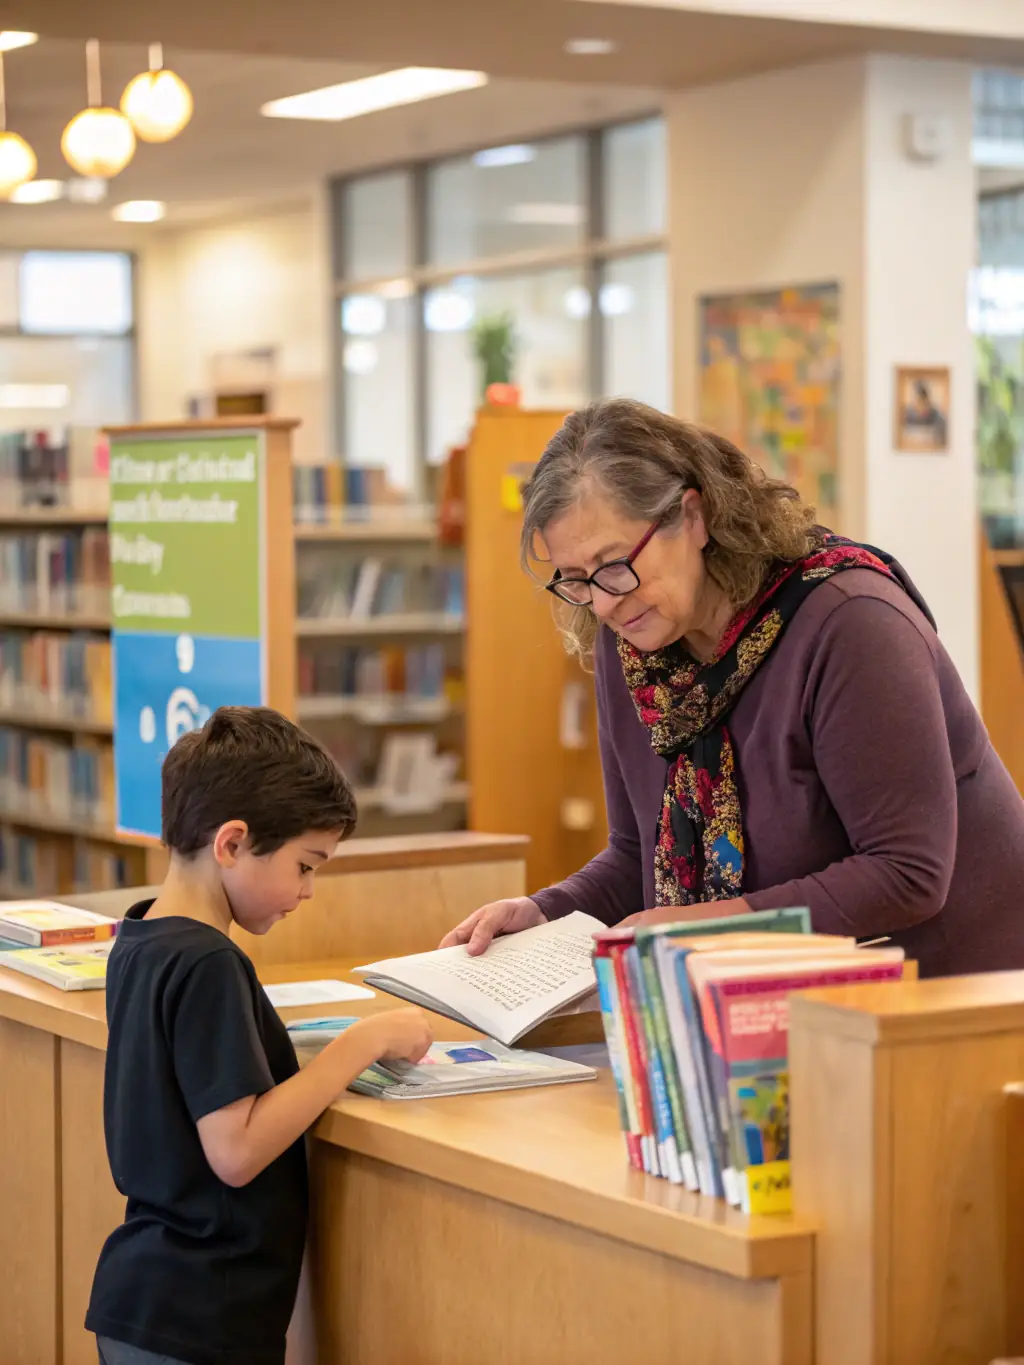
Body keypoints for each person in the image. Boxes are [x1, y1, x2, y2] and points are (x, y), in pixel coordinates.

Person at [441, 398, 1024, 978]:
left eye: (615, 563)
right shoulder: (634, 646)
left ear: (692, 518)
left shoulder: (852, 624)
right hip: (779, 1002)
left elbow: (907, 873)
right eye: (575, 580)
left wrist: (706, 924)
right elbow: (634, 857)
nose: (604, 601)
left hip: (955, 993)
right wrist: (544, 911)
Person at [87, 706, 432, 1365]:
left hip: (147, 1300)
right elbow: (237, 1149)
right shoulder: (208, 961)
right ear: (232, 843)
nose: (307, 892)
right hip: (200, 1318)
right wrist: (358, 1043)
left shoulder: (141, 936)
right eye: (306, 865)